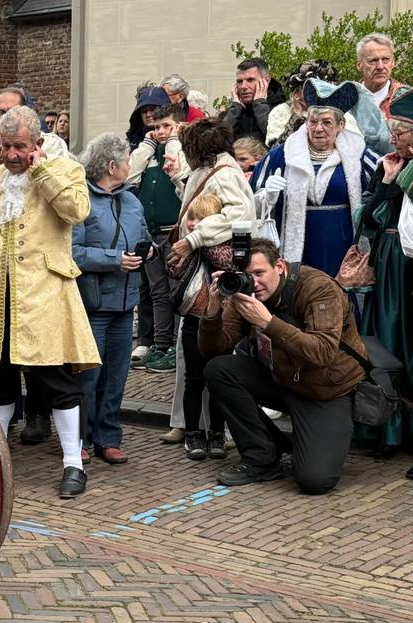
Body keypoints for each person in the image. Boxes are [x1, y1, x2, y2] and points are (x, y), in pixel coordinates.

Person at [0, 105, 98, 498]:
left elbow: (76, 211)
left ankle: (73, 464)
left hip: (43, 296)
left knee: (56, 381)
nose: (11, 155)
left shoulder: (64, 170)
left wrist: (41, 170)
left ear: (38, 143)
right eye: (6, 145)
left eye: (20, 147)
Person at [200, 239, 367, 493]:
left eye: (259, 273)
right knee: (220, 370)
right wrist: (212, 310)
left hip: (323, 390)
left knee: (315, 480)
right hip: (282, 377)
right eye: (246, 276)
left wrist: (267, 322)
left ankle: (303, 439)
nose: (253, 283)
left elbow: (321, 352)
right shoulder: (246, 293)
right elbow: (214, 350)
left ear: (279, 266)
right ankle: (262, 456)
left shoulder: (318, 288)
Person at [171, 117, 255, 460]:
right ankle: (198, 431)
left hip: (213, 281)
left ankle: (212, 433)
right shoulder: (209, 172)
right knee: (195, 368)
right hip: (202, 281)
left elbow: (240, 216)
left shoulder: (226, 174)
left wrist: (193, 238)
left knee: (216, 363)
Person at [251, 80, 380, 279]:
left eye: (327, 122)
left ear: (341, 125)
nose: (318, 128)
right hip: (301, 249)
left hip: (343, 244)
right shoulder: (282, 155)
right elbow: (250, 201)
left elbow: (384, 191)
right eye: (312, 121)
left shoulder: (360, 155)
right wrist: (267, 196)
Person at [73, 134, 149, 463]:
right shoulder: (80, 201)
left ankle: (108, 436)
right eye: (127, 160)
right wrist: (113, 259)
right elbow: (71, 252)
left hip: (125, 302)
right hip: (93, 303)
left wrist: (149, 252)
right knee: (87, 377)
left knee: (117, 375)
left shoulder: (132, 200)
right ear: (111, 165)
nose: (131, 166)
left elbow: (144, 236)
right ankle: (79, 439)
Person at [355, 88, 413, 461]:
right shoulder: (388, 165)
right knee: (387, 340)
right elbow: (366, 218)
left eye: (400, 132)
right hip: (390, 261)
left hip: (406, 264)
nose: (393, 139)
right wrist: (388, 183)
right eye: (392, 132)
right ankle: (389, 430)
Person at [126, 103, 189, 374]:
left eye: (167, 127)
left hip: (173, 232)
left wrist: (175, 140)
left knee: (173, 290)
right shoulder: (151, 152)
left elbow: (183, 177)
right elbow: (129, 174)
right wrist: (147, 146)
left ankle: (169, 344)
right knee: (155, 290)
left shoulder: (183, 150)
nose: (161, 132)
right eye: (157, 127)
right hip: (151, 233)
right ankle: (157, 343)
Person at [267, 60, 339, 147]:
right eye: (312, 88)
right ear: (297, 94)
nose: (319, 93)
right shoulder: (281, 112)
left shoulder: (339, 111)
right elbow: (276, 151)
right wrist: (296, 118)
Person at [221, 58, 277, 144]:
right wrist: (235, 109)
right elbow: (216, 143)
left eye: (250, 80)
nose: (243, 86)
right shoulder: (231, 113)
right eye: (239, 81)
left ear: (266, 80)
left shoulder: (281, 109)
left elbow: (276, 140)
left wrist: (260, 104)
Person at [356, 33, 407, 117]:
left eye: (385, 59)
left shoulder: (407, 99)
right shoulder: (346, 98)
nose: (380, 66)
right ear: (359, 65)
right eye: (373, 60)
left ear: (393, 62)